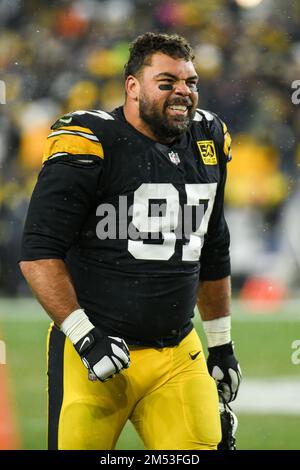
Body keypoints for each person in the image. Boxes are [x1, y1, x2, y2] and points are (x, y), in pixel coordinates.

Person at [19, 32, 241, 450]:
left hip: (177, 351)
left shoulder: (209, 138)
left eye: (191, 82)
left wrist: (221, 344)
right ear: (132, 86)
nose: (183, 93)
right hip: (95, 353)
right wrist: (85, 336)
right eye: (167, 82)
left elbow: (213, 245)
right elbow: (38, 252)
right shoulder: (92, 139)